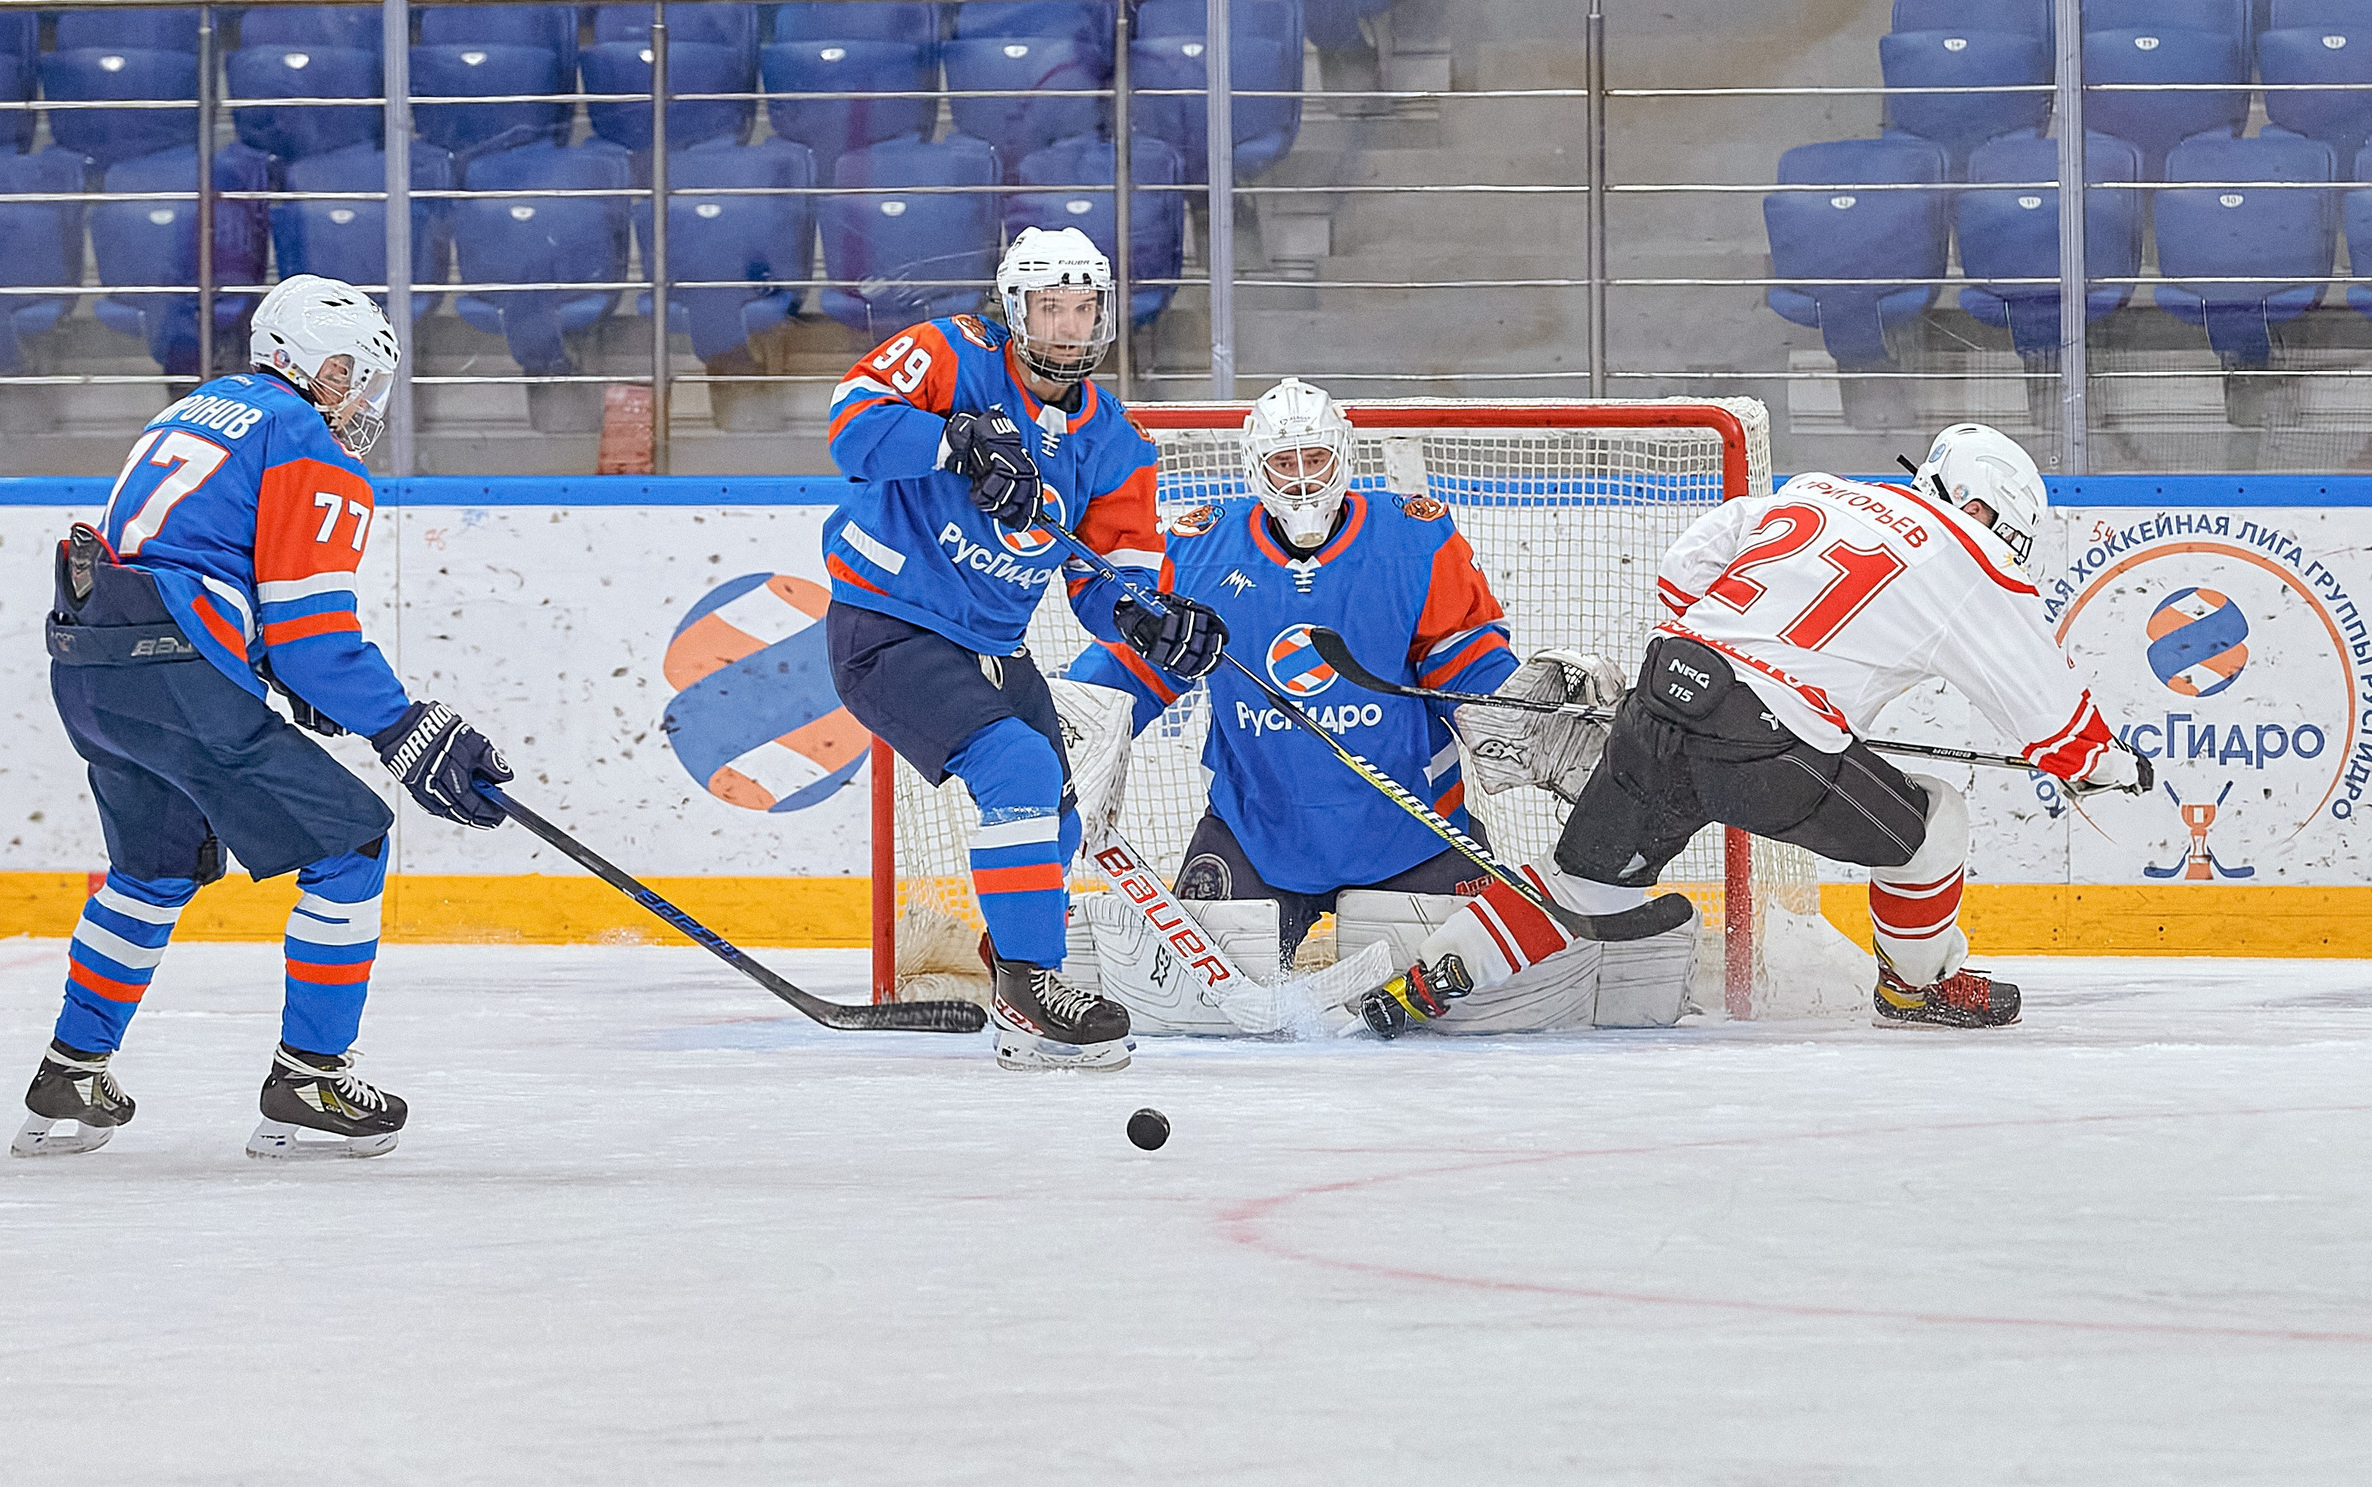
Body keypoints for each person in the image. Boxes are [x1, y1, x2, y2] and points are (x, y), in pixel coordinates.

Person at [1385, 421, 2151, 1034]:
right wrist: (2103, 765)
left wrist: (1709, 660)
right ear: (1982, 509)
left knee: (1588, 886)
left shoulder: (1822, 492)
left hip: (1663, 695)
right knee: (1935, 826)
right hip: (1766, 746)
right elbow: (2049, 712)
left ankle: (1431, 975)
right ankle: (1918, 989)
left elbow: (1685, 566)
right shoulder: (1969, 553)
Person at [15, 276, 513, 1161]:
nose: (361, 400)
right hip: (178, 673)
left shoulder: (200, 407)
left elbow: (195, 561)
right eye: (356, 375)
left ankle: (71, 1069)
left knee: (152, 871)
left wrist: (286, 675)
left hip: (95, 668)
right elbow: (310, 630)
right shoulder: (303, 438)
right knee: (352, 845)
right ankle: (311, 1077)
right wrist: (402, 724)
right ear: (319, 365)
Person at [1060, 377, 1677, 1032]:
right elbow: (1138, 664)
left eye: (1315, 460)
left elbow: (1464, 667)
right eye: (1283, 463)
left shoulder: (1414, 541)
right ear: (1255, 470)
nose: (1301, 481)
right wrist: (1071, 713)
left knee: (1485, 1005)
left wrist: (1520, 714)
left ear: (1344, 457)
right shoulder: (1201, 551)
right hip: (1258, 835)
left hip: (1410, 837)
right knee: (1196, 1011)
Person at [823, 227, 1220, 1071]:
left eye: (1083, 308)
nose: (1068, 328)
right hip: (888, 625)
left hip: (995, 646)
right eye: (1050, 308)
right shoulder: (949, 353)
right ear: (1015, 309)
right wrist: (953, 438)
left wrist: (1150, 618)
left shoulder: (1114, 440)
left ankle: (1009, 969)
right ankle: (1032, 992)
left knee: (1062, 814)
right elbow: (850, 428)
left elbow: (1111, 581)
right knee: (1018, 769)